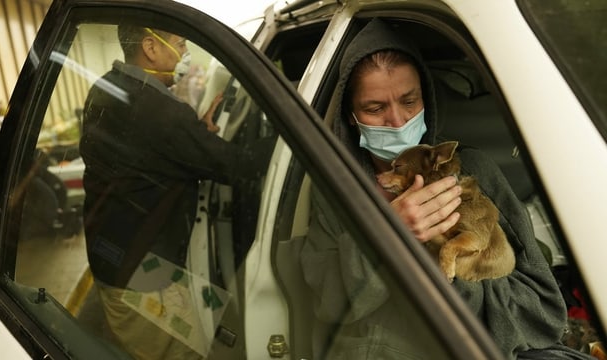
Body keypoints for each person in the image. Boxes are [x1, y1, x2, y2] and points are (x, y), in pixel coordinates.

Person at [300, 18, 593, 359]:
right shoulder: (334, 189)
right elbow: (329, 308)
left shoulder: (474, 172)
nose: (397, 121)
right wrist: (387, 235)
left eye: (410, 101)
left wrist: (453, 274)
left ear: (427, 99)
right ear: (351, 116)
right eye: (375, 108)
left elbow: (544, 310)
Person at [80, 24, 272, 359]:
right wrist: (296, 132)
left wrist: (195, 134)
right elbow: (239, 166)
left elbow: (149, 149)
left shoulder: (109, 87)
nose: (184, 54)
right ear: (150, 48)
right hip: (141, 277)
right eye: (180, 44)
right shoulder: (160, 113)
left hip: (114, 257)